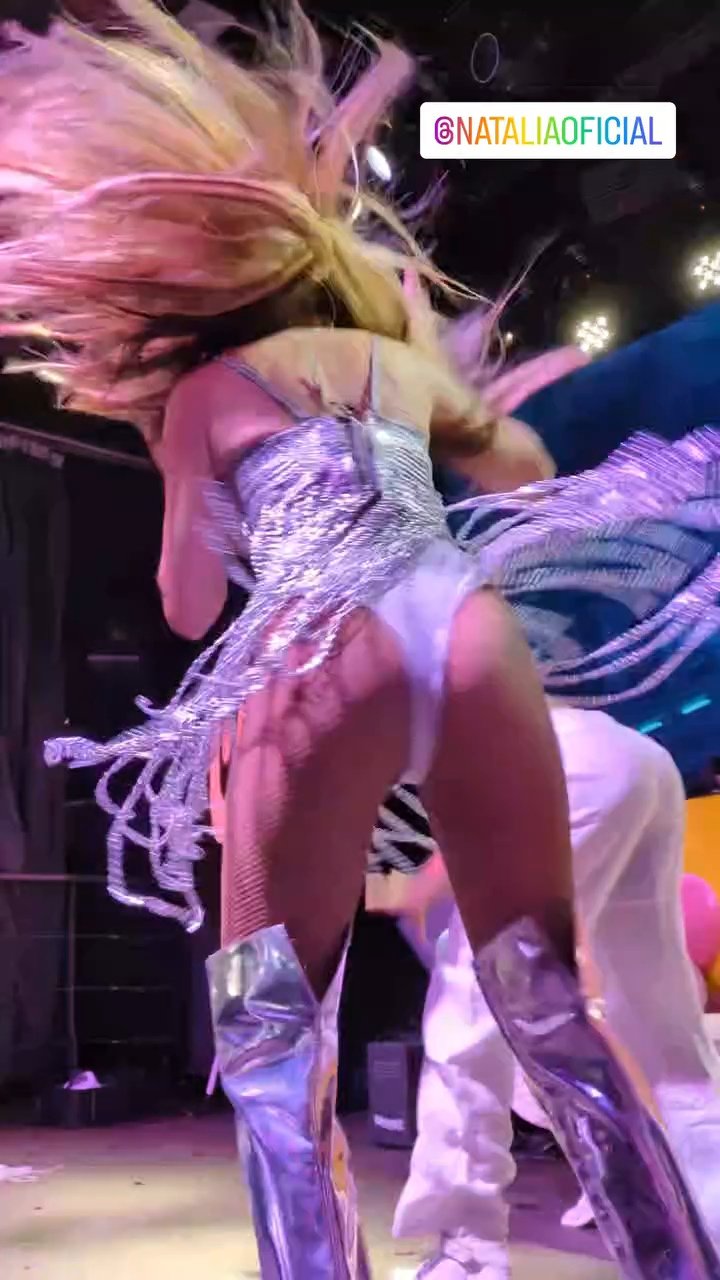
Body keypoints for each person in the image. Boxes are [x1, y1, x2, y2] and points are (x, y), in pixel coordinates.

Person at [1, 4, 718, 1277]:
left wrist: (219, 492)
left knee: (271, 1035)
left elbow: (183, 603)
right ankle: (680, 1260)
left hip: (320, 644)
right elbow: (523, 463)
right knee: (552, 1008)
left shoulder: (202, 394)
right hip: (470, 639)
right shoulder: (393, 366)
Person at [374, 709, 720, 1278]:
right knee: (656, 1025)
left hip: (560, 764)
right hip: (633, 758)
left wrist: (422, 892)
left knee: (469, 1001)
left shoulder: (341, 722)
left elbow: (462, 814)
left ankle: (468, 1255)